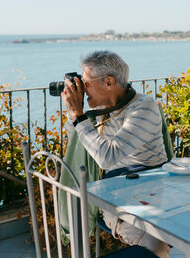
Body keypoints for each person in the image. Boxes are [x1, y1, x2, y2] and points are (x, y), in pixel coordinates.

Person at [62, 50, 170, 258]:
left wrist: (78, 116)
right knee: (154, 245)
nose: (82, 89)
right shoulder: (100, 110)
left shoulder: (143, 107)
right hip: (116, 199)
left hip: (158, 190)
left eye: (85, 83)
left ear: (109, 82)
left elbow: (107, 156)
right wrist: (76, 113)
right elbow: (77, 140)